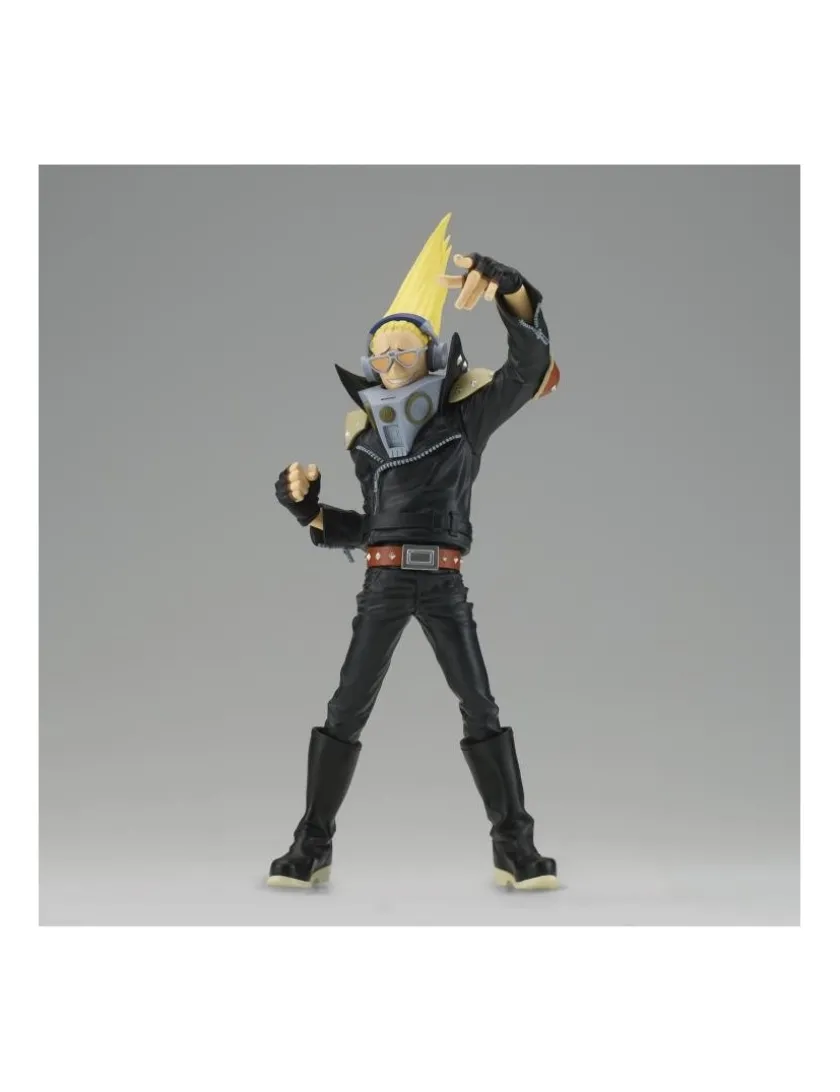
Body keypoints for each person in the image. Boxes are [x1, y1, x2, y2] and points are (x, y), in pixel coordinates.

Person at [269, 214, 561, 890]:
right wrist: (308, 509)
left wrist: (511, 290)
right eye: (381, 354)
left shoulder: (466, 417)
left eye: (404, 351)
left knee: (479, 704)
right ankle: (312, 844)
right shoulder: (365, 439)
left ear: (433, 357)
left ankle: (514, 846)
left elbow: (529, 368)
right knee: (346, 707)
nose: (392, 362)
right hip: (384, 582)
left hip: (444, 581)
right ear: (368, 365)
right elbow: (375, 527)